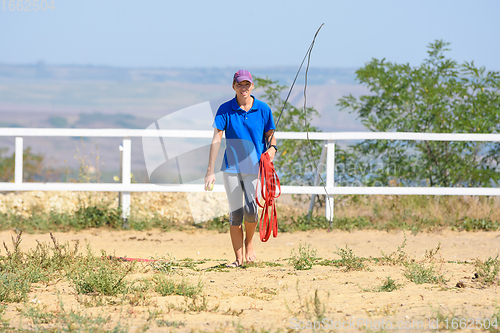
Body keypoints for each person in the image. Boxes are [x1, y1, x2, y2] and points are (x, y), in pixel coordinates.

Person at [204, 69, 277, 267]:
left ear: (252, 86)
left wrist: (272, 149)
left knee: (251, 209)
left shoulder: (263, 109)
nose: (243, 88)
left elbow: (270, 135)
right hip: (231, 167)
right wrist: (210, 171)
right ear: (234, 86)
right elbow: (217, 138)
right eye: (239, 84)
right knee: (236, 212)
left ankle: (249, 243)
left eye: (247, 84)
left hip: (255, 167)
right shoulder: (225, 109)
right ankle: (238, 258)